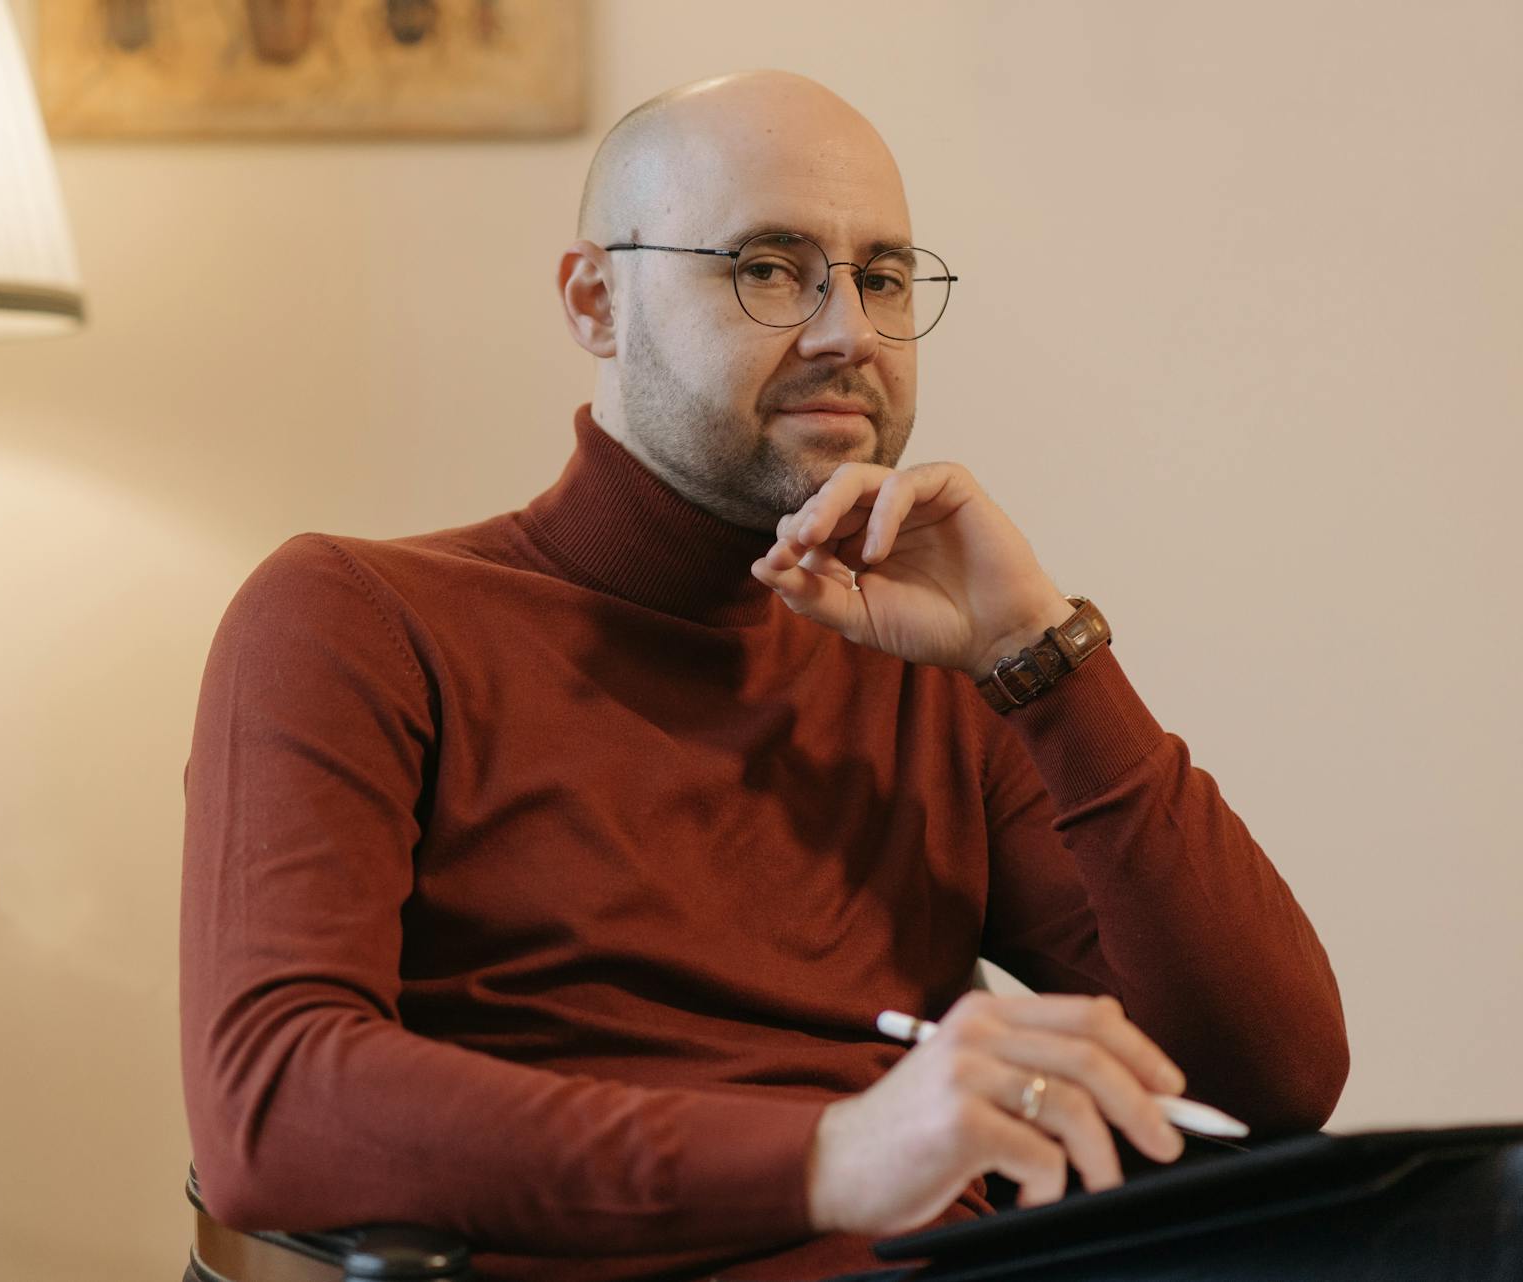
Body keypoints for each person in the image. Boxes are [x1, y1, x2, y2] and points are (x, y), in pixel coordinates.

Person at [180, 71, 1352, 1281]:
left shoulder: (931, 660)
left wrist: (1042, 654)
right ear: (597, 301)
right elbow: (272, 1102)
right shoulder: (357, 618)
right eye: (769, 267)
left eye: (884, 278)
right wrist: (831, 1154)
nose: (848, 333)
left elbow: (1271, 1079)